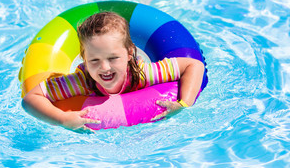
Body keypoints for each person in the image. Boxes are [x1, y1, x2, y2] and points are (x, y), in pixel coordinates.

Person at [22, 12, 204, 132]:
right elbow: (30, 99)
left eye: (113, 58)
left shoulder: (142, 73)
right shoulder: (80, 81)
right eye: (94, 60)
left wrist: (184, 104)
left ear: (130, 53)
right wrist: (62, 118)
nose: (105, 68)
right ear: (84, 59)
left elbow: (194, 65)